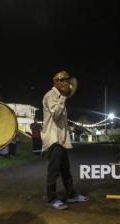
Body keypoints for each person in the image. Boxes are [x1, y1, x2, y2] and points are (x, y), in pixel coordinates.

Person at [41, 71, 89, 210]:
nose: (67, 84)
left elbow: (61, 121)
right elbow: (56, 115)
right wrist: (63, 96)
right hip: (53, 139)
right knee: (54, 171)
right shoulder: (50, 95)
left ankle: (71, 195)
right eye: (63, 81)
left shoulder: (60, 97)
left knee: (65, 170)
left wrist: (72, 129)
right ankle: (52, 199)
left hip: (61, 139)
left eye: (67, 81)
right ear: (56, 82)